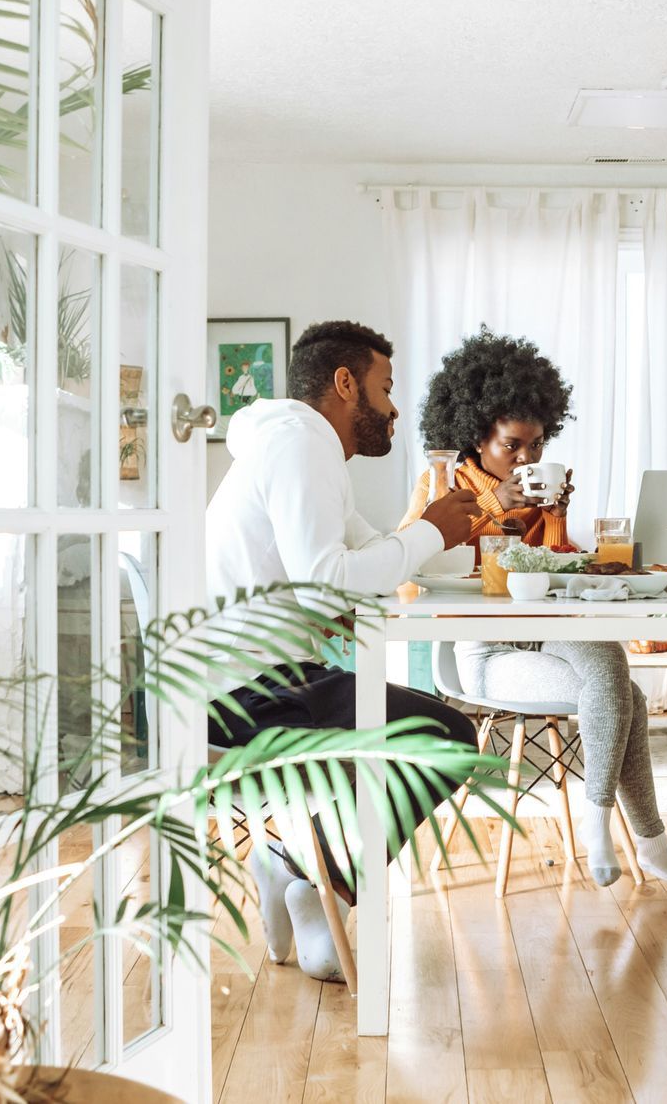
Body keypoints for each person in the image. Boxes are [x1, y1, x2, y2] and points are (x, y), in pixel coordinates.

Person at [207, 319, 482, 981]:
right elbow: (331, 577)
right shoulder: (302, 446)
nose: (392, 409)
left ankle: (300, 871)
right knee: (446, 737)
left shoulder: (297, 447)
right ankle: (307, 877)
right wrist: (428, 531)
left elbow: (356, 557)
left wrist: (420, 538)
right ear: (343, 383)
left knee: (430, 728)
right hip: (239, 693)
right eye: (385, 388)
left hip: (257, 674)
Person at [398, 329, 667, 888]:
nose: (526, 458)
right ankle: (643, 842)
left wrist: (557, 516)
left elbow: (550, 569)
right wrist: (492, 504)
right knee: (624, 692)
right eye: (512, 444)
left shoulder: (538, 489)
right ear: (475, 434)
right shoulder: (441, 484)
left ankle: (602, 825)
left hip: (545, 632)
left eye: (536, 445)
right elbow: (410, 568)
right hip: (483, 649)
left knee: (611, 665)